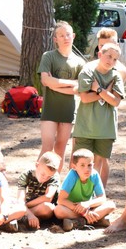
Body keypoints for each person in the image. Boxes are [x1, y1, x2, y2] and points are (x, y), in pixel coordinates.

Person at [72, 43, 125, 187]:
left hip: (106, 130)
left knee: (97, 165)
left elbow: (115, 101)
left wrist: (98, 89)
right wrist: (105, 94)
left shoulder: (116, 75)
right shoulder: (88, 72)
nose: (111, 61)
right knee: (80, 162)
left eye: (115, 59)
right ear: (100, 54)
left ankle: (94, 195)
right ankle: (76, 193)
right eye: (109, 56)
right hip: (85, 127)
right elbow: (85, 98)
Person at [37, 22, 84, 168]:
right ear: (55, 39)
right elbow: (45, 80)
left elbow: (79, 88)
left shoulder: (79, 62)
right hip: (50, 109)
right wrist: (69, 82)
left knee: (60, 148)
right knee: (47, 146)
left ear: (73, 36)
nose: (66, 38)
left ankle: (55, 182)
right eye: (61, 35)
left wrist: (55, 84)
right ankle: (37, 179)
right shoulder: (49, 56)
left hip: (68, 110)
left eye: (68, 34)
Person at [53, 149, 116, 230]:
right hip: (72, 208)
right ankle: (97, 220)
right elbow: (61, 200)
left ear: (93, 165)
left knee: (111, 205)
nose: (87, 169)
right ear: (74, 167)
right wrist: (84, 213)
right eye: (82, 165)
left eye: (89, 165)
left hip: (88, 207)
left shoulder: (94, 175)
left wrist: (87, 204)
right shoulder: (72, 175)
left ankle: (79, 222)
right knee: (58, 210)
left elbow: (102, 198)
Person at [16, 151, 60, 229]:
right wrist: (29, 213)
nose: (45, 178)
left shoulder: (54, 177)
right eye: (43, 174)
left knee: (48, 207)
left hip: (41, 208)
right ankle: (26, 217)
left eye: (49, 176)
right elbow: (20, 199)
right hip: (30, 206)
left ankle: (20, 216)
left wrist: (25, 207)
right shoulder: (26, 175)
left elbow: (48, 197)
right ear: (37, 165)